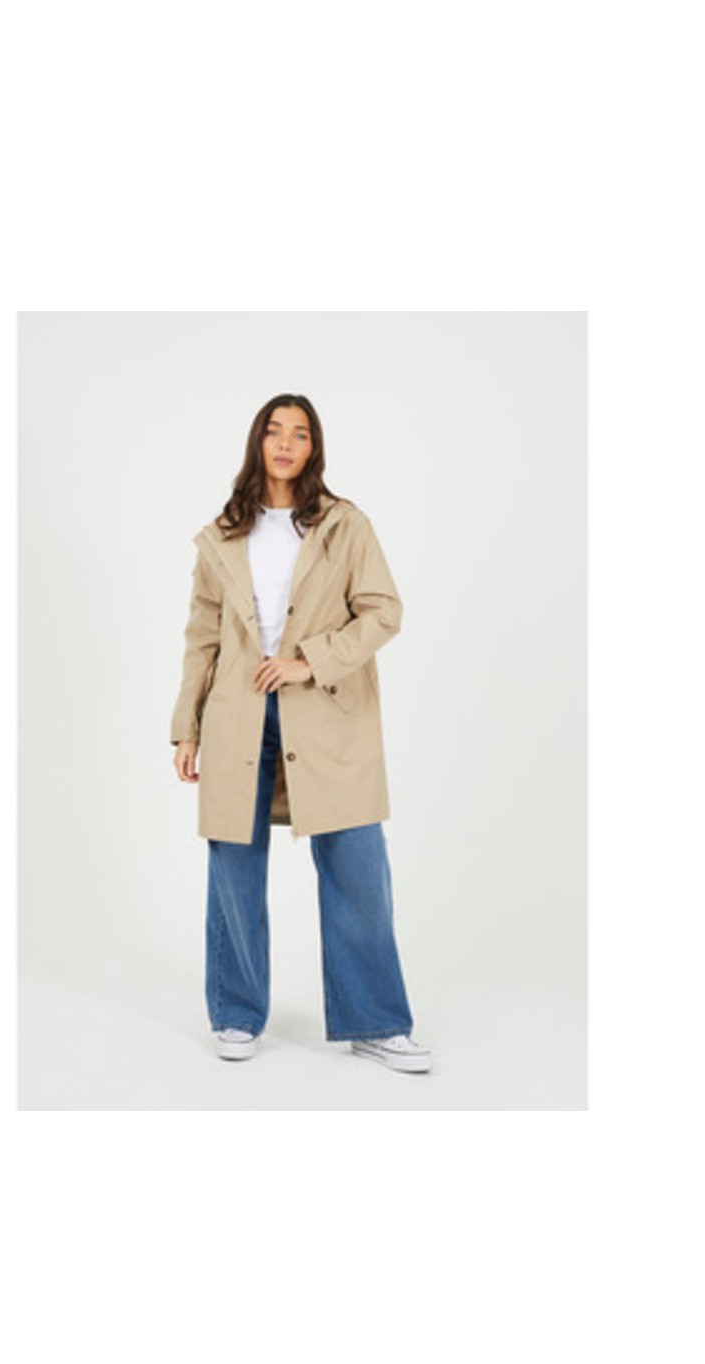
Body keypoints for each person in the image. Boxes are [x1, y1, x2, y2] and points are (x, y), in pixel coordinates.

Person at [170, 393, 431, 1073]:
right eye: (275, 431)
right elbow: (201, 637)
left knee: (356, 866)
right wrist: (186, 727)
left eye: (301, 434)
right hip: (237, 712)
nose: (286, 443)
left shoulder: (344, 525)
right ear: (258, 442)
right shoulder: (221, 534)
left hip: (327, 709)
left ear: (314, 448)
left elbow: (383, 611)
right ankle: (235, 1014)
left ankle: (377, 1021)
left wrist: (309, 661)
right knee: (234, 867)